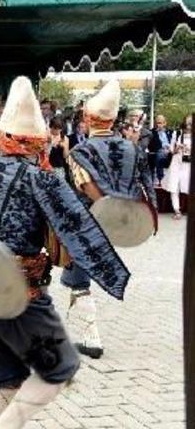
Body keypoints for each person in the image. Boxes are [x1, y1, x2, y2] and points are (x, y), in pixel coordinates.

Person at [0, 76, 130, 428]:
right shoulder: (42, 179)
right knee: (60, 368)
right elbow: (78, 232)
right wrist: (110, 269)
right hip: (18, 300)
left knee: (3, 379)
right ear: (39, 142)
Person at [64, 80, 157, 360]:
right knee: (77, 274)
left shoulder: (80, 151)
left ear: (88, 118)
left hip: (90, 220)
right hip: (124, 220)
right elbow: (146, 183)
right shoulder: (132, 148)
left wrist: (107, 212)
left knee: (78, 278)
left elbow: (87, 187)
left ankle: (91, 337)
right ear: (113, 120)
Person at [162, 114, 192, 220]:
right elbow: (171, 150)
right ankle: (177, 210)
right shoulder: (178, 133)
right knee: (174, 186)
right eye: (188, 121)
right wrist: (177, 148)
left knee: (188, 186)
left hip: (188, 164)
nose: (189, 123)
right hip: (176, 162)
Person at [149, 114, 173, 183]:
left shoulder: (170, 132)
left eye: (160, 123)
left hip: (170, 151)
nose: (158, 125)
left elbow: (173, 142)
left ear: (165, 123)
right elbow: (151, 146)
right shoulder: (152, 133)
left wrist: (170, 148)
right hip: (159, 151)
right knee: (160, 154)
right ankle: (160, 177)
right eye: (156, 123)